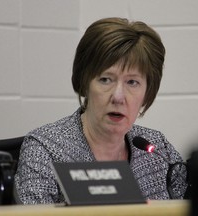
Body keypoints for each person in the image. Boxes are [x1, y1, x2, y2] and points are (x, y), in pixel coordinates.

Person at [14, 17, 187, 204]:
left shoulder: (158, 151)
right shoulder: (46, 149)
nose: (118, 96)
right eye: (106, 79)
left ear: (147, 92)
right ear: (84, 83)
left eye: (132, 82)